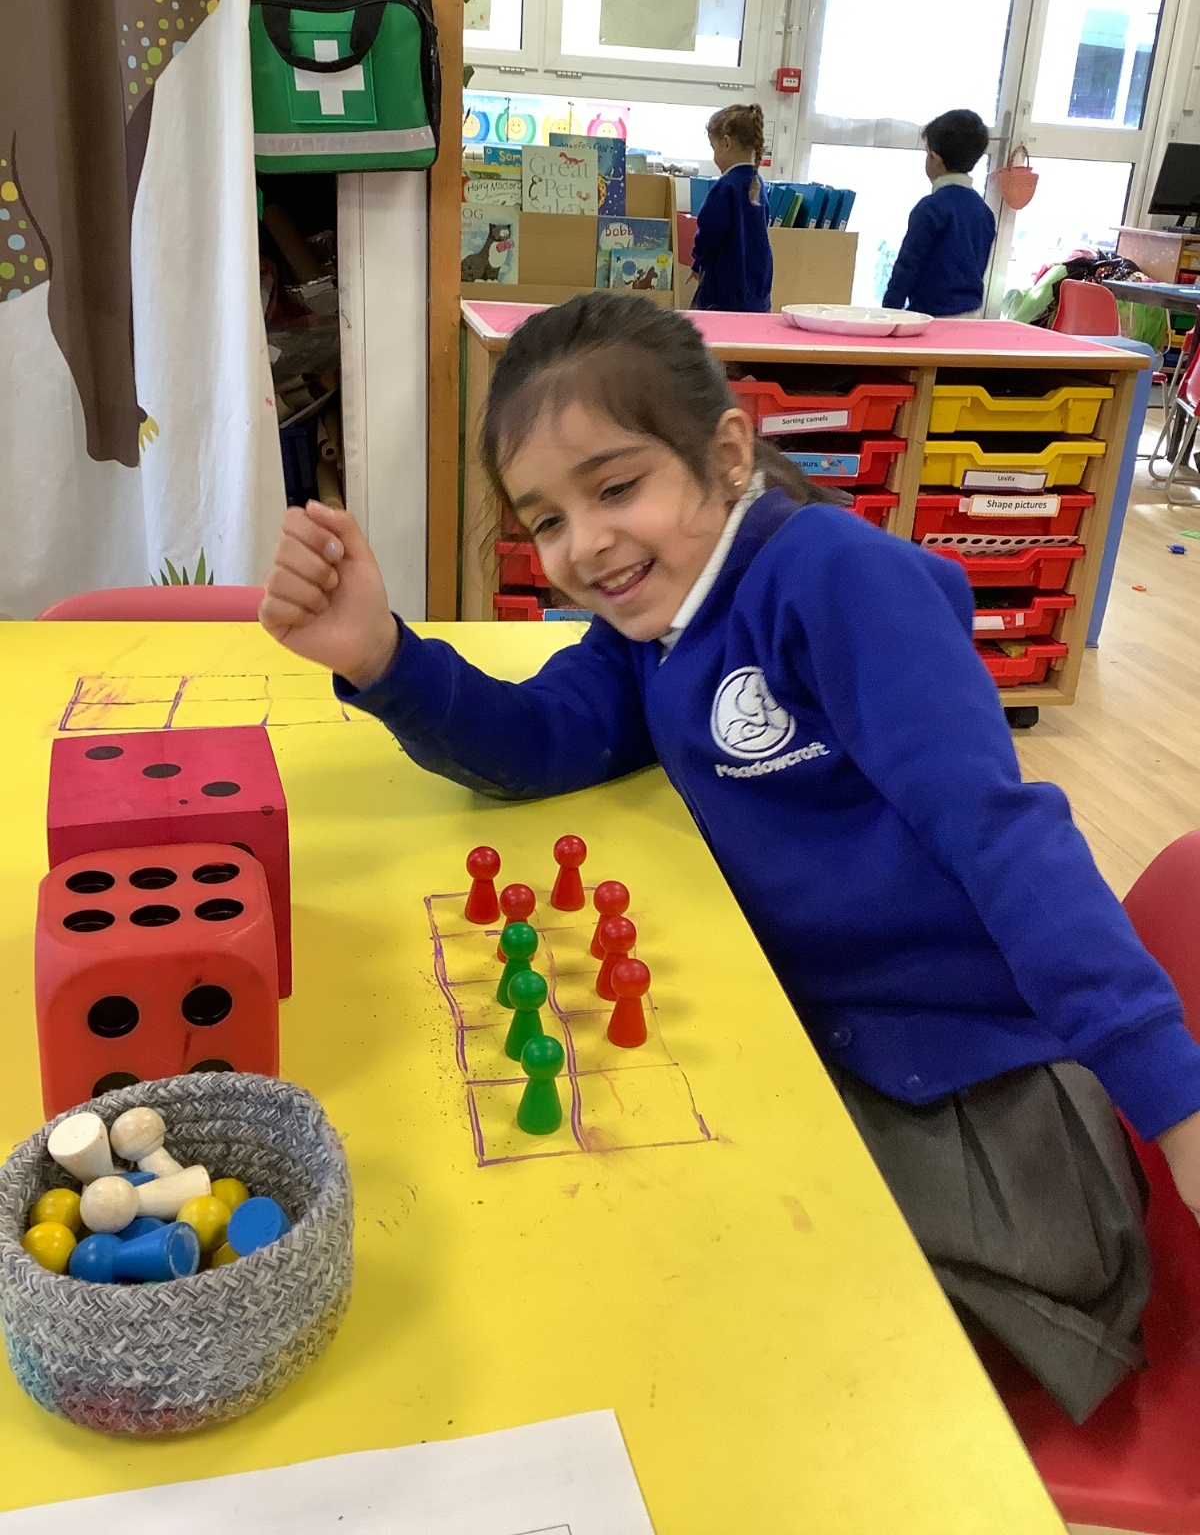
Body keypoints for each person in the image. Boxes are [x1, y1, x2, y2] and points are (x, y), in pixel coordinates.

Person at [261, 294, 1200, 1423]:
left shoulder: (836, 582)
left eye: (616, 488)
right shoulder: (650, 630)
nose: (585, 544)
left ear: (726, 452)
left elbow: (1006, 838)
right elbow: (539, 742)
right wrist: (383, 657)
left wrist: (1178, 1101)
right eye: (547, 519)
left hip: (979, 1107)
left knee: (693, 1325)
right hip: (816, 1056)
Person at [883, 109, 996, 318]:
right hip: (972, 315)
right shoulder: (985, 212)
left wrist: (888, 311)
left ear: (934, 157)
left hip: (930, 316)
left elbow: (907, 266)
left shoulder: (930, 208)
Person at [691, 103, 773, 313]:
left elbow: (709, 230)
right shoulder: (758, 184)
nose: (714, 157)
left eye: (714, 148)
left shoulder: (726, 186)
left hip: (725, 292)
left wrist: (697, 261)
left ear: (726, 143)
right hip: (757, 293)